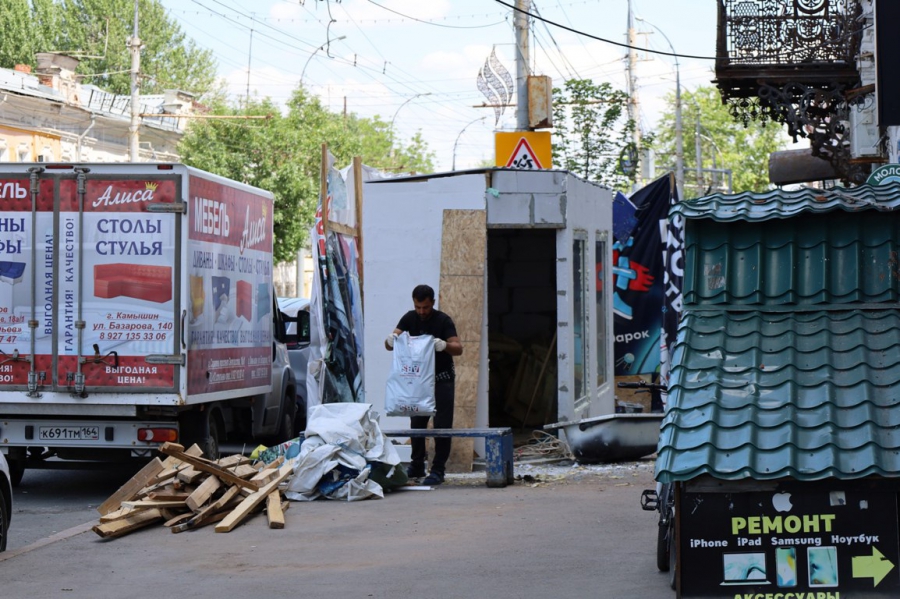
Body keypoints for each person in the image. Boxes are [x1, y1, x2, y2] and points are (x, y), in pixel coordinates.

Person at [385, 284, 462, 486]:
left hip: (442, 379)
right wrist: (390, 340)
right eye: (418, 307)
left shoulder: (443, 320)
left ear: (432, 303)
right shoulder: (409, 318)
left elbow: (458, 348)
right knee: (417, 423)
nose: (421, 312)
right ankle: (417, 464)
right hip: (419, 381)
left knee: (442, 426)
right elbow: (390, 341)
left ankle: (438, 469)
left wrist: (444, 345)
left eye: (426, 307)